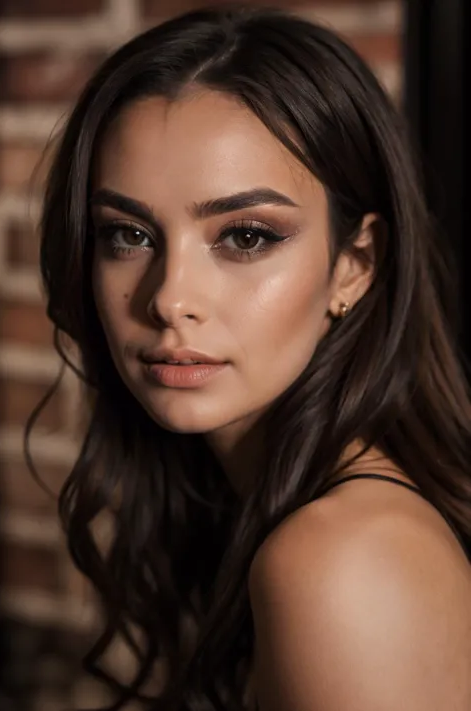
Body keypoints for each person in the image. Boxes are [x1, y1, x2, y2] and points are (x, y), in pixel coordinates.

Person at [31, 4, 471, 709]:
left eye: (246, 237)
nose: (170, 299)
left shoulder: (343, 557)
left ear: (355, 264)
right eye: (129, 235)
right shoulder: (277, 510)